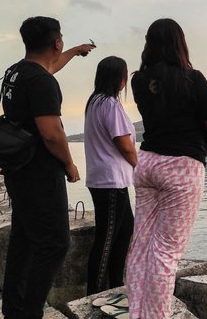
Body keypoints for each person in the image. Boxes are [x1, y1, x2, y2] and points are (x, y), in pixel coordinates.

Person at [125, 18, 207, 318]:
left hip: (148, 162)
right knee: (166, 253)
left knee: (141, 245)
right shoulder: (192, 78)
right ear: (180, 43)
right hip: (181, 167)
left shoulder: (138, 81)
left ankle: (137, 313)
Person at [1, 16, 95, 319]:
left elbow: (50, 65)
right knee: (55, 244)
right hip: (40, 173)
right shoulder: (42, 82)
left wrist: (76, 51)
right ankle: (30, 313)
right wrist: (69, 164)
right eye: (63, 40)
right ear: (56, 42)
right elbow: (52, 133)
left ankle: (13, 310)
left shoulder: (16, 72)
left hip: (18, 171)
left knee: (24, 239)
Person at [84, 56, 137, 295]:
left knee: (125, 231)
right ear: (119, 78)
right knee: (106, 239)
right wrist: (140, 166)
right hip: (110, 180)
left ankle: (116, 286)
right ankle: (94, 294)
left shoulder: (94, 101)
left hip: (105, 178)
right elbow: (124, 144)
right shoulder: (110, 105)